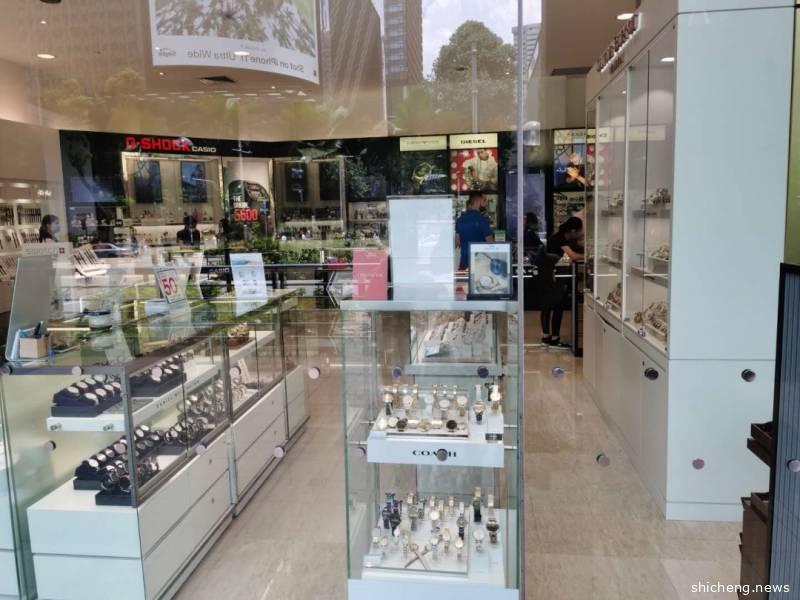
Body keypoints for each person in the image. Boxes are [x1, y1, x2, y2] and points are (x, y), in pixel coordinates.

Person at [539, 217, 584, 346]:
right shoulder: (559, 239)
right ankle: (554, 337)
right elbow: (573, 256)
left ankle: (548, 336)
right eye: (579, 231)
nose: (580, 233)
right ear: (573, 230)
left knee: (549, 306)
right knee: (557, 305)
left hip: (551, 275)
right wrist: (590, 256)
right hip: (554, 277)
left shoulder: (558, 237)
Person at [455, 190, 493, 270]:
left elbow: (457, 242)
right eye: (484, 200)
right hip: (480, 264)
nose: (486, 203)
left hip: (464, 263)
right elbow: (491, 244)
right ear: (478, 201)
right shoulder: (482, 220)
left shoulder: (460, 220)